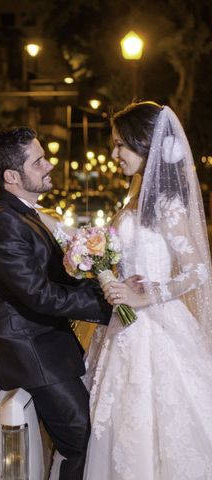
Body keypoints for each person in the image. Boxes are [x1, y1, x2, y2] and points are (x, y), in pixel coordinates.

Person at [0, 127, 113, 480]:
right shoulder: (3, 221)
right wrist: (105, 304)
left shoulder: (20, 211)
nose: (49, 165)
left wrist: (103, 278)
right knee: (83, 439)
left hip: (43, 343)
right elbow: (38, 295)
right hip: (25, 350)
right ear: (12, 176)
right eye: (39, 161)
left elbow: (51, 279)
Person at [82, 102, 212, 479]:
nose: (114, 153)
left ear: (145, 145)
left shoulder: (169, 204)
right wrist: (101, 269)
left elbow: (198, 270)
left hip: (156, 328)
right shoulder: (136, 195)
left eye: (121, 144)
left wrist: (146, 295)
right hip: (123, 327)